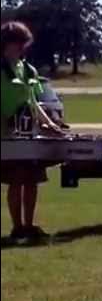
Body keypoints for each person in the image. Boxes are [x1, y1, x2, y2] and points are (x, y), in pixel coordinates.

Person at [1, 21, 62, 241]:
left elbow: (33, 102)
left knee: (32, 180)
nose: (21, 46)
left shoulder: (28, 69)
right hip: (7, 137)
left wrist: (50, 124)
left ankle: (29, 225)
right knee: (16, 180)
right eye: (16, 42)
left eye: (23, 42)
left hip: (29, 134)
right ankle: (17, 227)